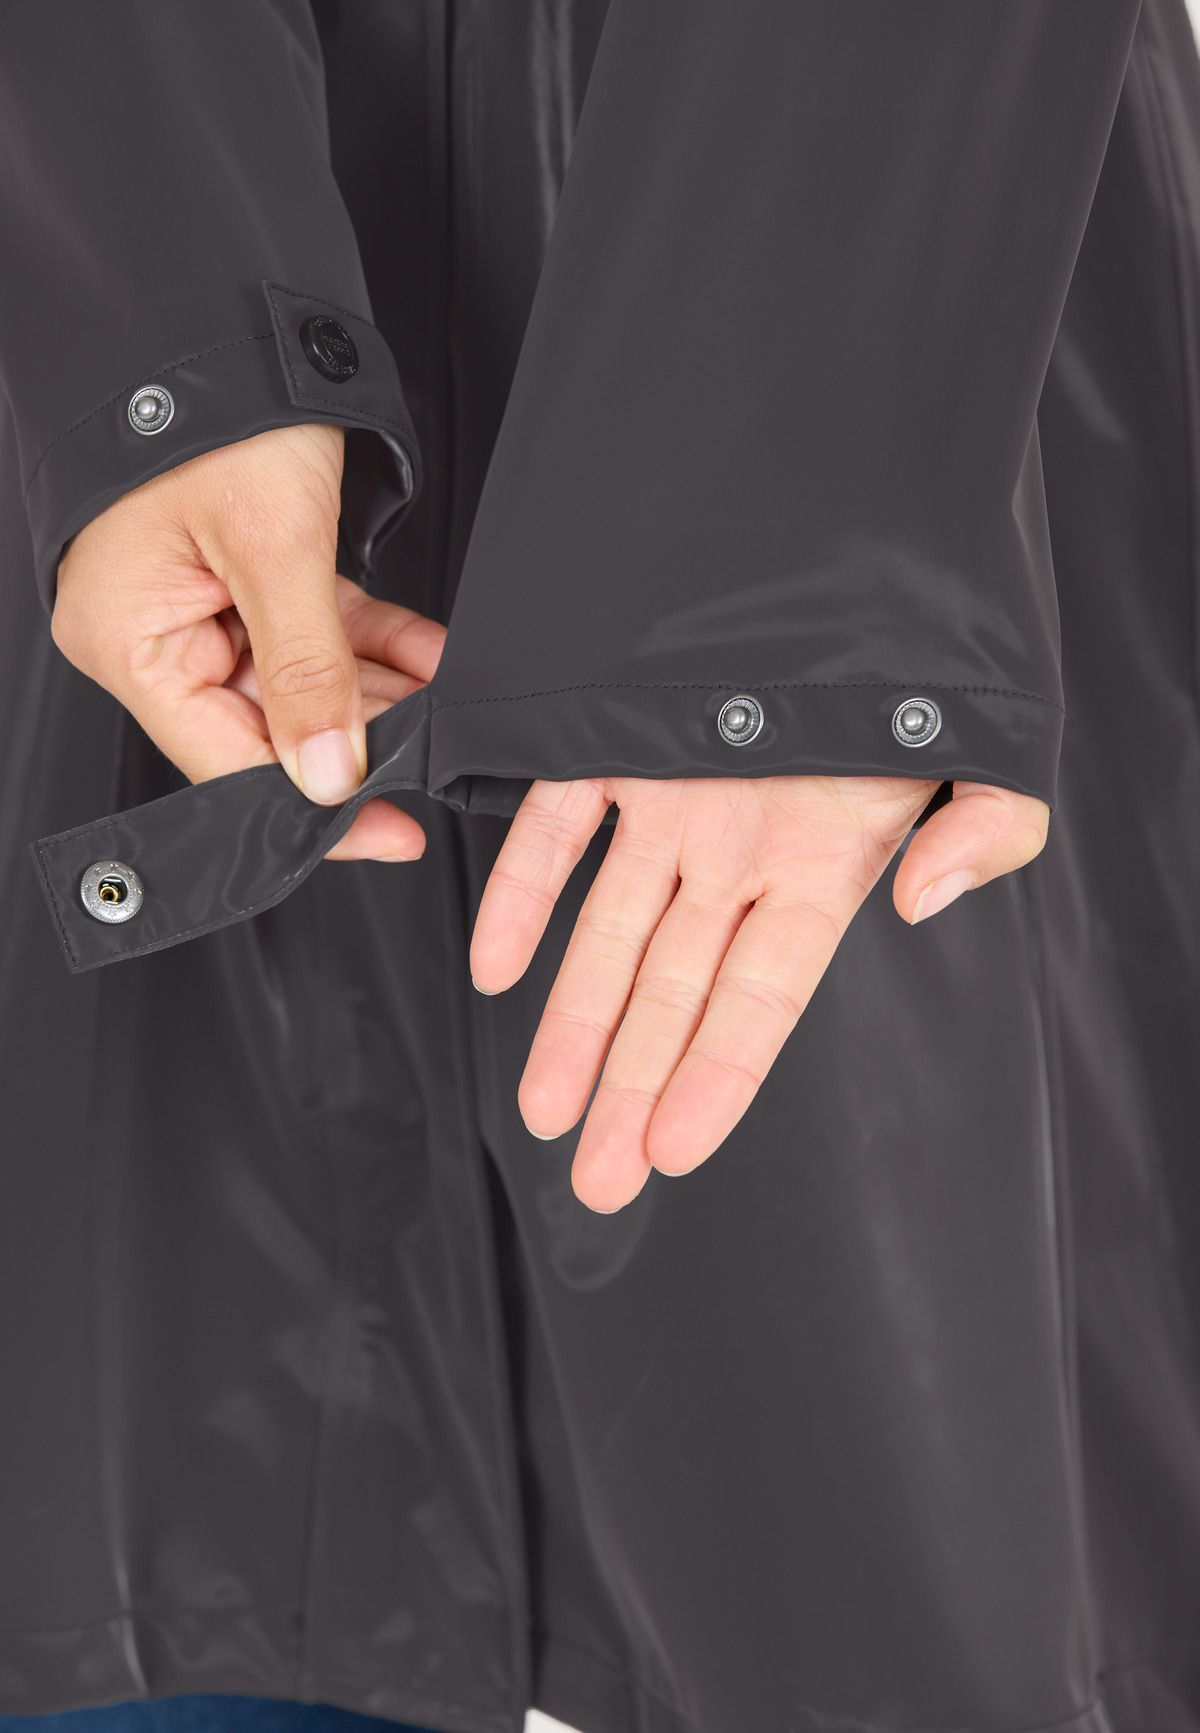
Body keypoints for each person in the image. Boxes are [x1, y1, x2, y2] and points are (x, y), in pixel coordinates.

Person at [1, 2, 1198, 1731]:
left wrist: (791, 544)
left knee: (900, 1572)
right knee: (189, 1560)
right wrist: (153, 331)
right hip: (133, 448)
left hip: (873, 385)